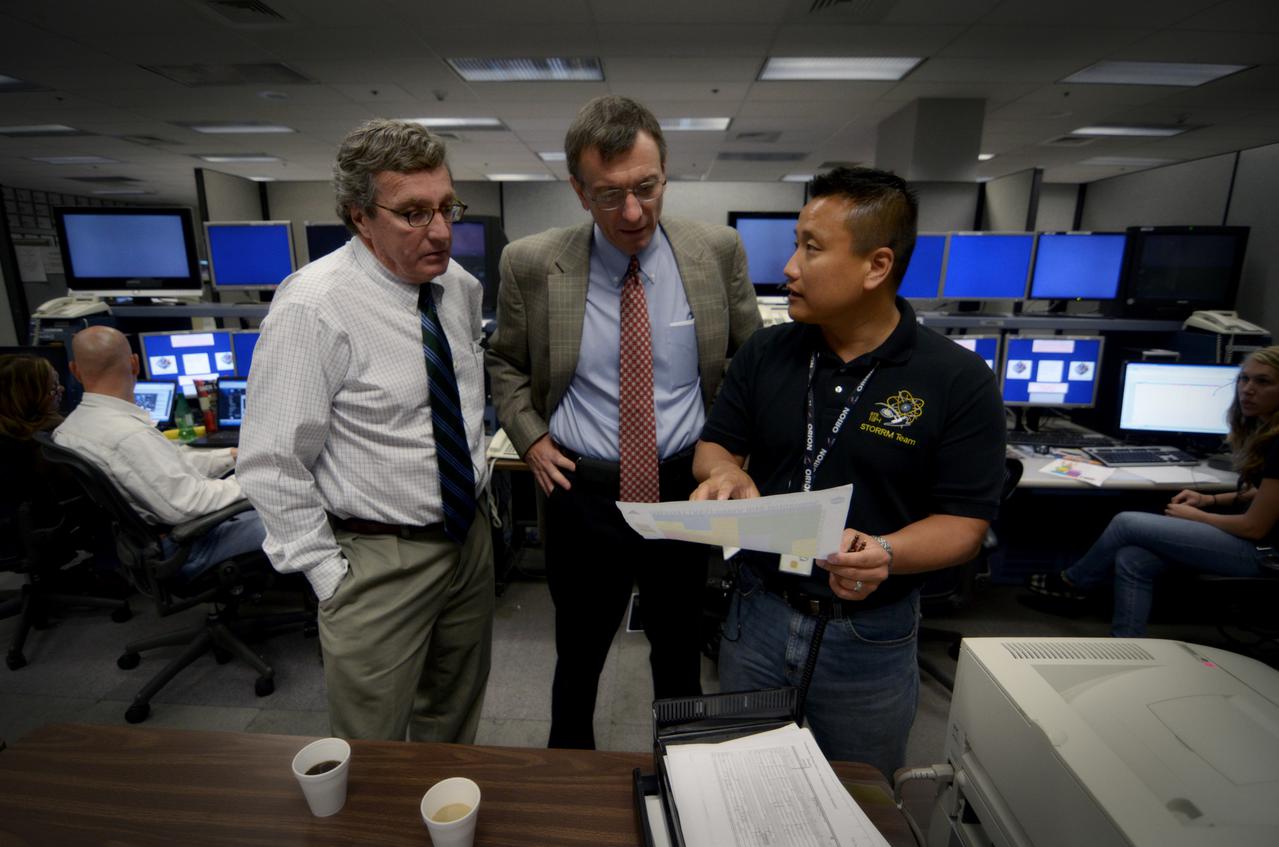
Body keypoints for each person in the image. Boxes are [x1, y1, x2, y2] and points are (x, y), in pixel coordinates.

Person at [691, 167, 1007, 778]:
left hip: (869, 639)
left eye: (811, 248)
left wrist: (886, 551)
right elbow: (714, 446)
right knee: (742, 790)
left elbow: (965, 523)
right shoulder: (767, 351)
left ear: (876, 266)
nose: (789, 267)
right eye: (795, 244)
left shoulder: (956, 380)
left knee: (858, 802)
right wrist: (726, 474)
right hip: (757, 616)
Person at [486, 95, 761, 749]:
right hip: (582, 493)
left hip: (681, 486)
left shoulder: (716, 252)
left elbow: (749, 365)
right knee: (577, 656)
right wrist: (530, 434)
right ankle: (566, 783)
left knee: (677, 654)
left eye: (646, 187)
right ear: (579, 191)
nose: (633, 212)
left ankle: (684, 776)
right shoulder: (530, 263)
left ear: (665, 173)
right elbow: (502, 365)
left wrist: (735, 455)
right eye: (610, 195)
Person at [237, 118, 493, 744]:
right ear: (359, 216)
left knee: (454, 720)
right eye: (412, 214)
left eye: (446, 207)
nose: (439, 231)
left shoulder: (457, 288)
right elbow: (271, 462)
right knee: (371, 744)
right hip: (377, 558)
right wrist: (328, 575)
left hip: (469, 539)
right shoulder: (313, 307)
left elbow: (456, 410)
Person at [1028, 346, 1279, 636]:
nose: (1247, 390)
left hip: (1266, 555)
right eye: (1244, 379)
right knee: (1133, 558)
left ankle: (1072, 583)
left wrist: (1195, 516)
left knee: (1126, 523)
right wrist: (1209, 498)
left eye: (1263, 382)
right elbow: (1262, 495)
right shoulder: (1265, 433)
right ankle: (1127, 647)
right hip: (1259, 546)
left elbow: (1254, 527)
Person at [52, 327, 264, 581]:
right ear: (134, 363)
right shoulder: (127, 435)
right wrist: (260, 479)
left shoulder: (72, 427)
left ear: (75, 371)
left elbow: (169, 466)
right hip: (189, 548)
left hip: (156, 542)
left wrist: (232, 455)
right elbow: (186, 505)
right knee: (310, 518)